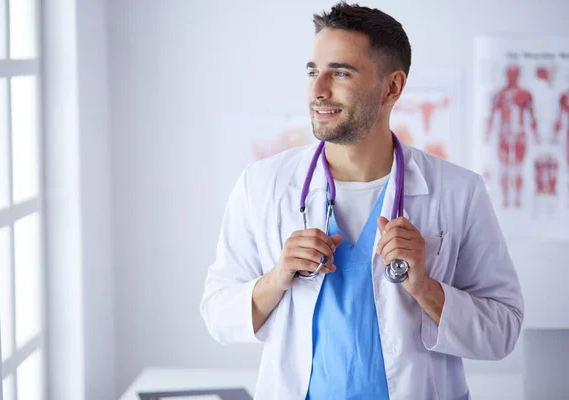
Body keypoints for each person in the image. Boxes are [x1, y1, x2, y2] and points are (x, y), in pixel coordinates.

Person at [200, 2, 524, 399]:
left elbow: (503, 331)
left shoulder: (458, 191)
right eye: (312, 71)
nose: (318, 90)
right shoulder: (262, 186)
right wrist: (277, 278)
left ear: (392, 87)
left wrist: (425, 286)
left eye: (339, 72)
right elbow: (217, 314)